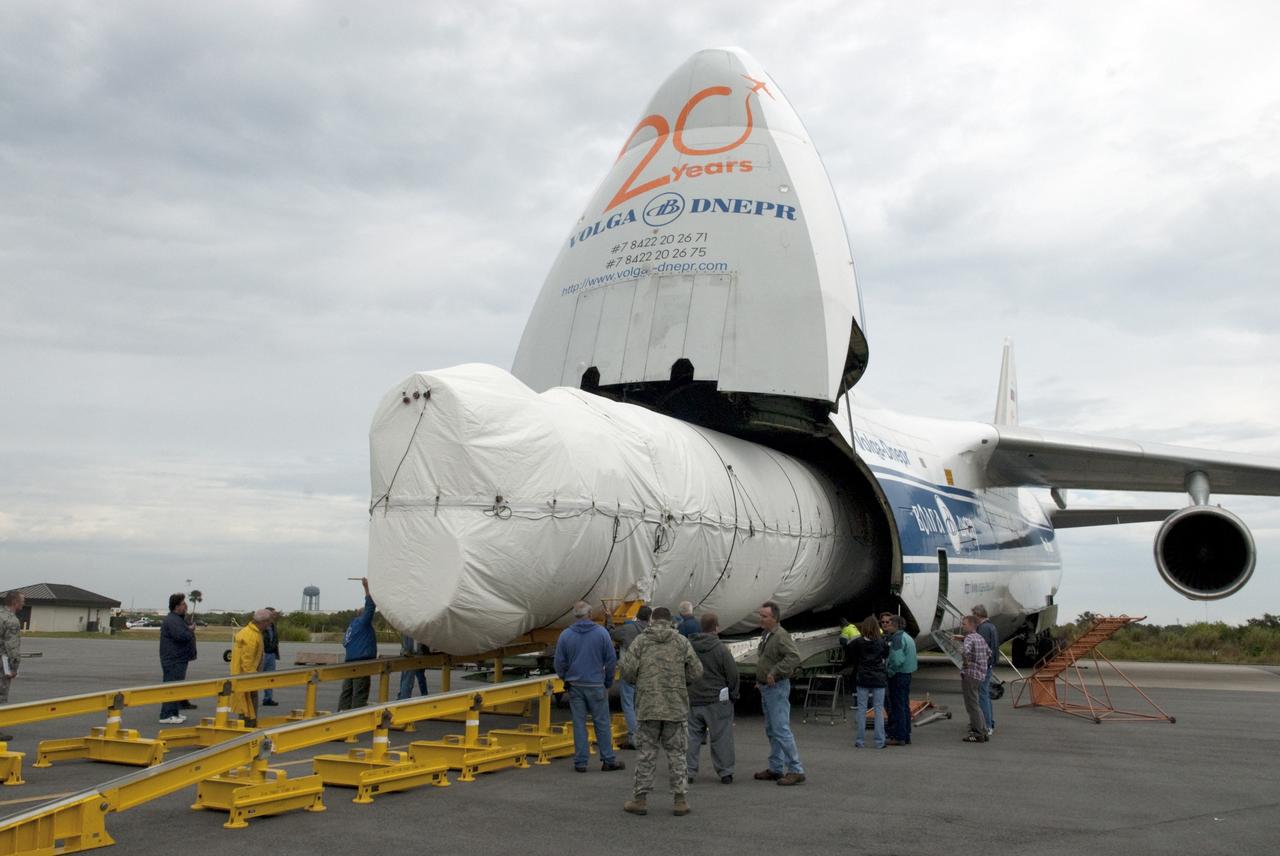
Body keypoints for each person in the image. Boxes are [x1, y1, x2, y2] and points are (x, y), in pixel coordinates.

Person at [620, 606, 702, 816]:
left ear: (652, 621)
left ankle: (640, 799)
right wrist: (680, 681)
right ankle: (680, 800)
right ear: (670, 621)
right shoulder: (681, 641)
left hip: (648, 706)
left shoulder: (641, 642)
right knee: (677, 754)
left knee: (647, 754)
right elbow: (696, 671)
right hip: (675, 707)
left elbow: (627, 671)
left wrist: (642, 680)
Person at [554, 601, 625, 774]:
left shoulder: (565, 635)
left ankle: (581, 762)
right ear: (590, 613)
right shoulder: (601, 633)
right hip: (596, 684)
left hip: (575, 685)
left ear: (574, 615)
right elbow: (610, 660)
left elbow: (559, 662)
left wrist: (565, 679)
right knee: (601, 723)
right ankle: (608, 760)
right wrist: (608, 682)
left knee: (579, 723)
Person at [753, 601, 805, 786]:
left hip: (777, 688)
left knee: (781, 729)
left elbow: (794, 657)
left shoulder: (781, 636)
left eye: (764, 616)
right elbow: (767, 658)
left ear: (774, 618)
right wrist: (760, 679)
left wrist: (774, 672)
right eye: (760, 615)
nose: (761, 619)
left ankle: (796, 769)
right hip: (767, 688)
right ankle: (776, 767)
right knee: (772, 729)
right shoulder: (767, 635)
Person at [686, 612, 738, 785]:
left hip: (693, 699)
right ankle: (725, 772)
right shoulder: (721, 649)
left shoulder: (689, 647)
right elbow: (732, 674)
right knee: (721, 737)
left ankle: (688, 771)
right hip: (717, 700)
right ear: (716, 628)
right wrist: (734, 694)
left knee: (692, 737)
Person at [609, 604, 651, 748]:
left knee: (628, 704)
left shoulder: (628, 629)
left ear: (637, 615)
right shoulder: (652, 631)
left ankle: (634, 737)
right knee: (642, 704)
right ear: (649, 618)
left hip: (629, 671)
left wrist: (609, 621)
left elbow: (612, 634)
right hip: (647, 672)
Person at [848, 616, 888, 749]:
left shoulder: (857, 642)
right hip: (878, 678)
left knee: (861, 709)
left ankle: (860, 740)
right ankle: (879, 741)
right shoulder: (881, 642)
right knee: (878, 710)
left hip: (863, 677)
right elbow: (886, 655)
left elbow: (851, 655)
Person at [338, 578, 377, 711]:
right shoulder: (363, 623)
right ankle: (356, 718)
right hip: (361, 662)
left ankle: (341, 714)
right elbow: (371, 605)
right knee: (360, 692)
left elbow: (344, 642)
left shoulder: (352, 625)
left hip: (349, 662)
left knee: (347, 691)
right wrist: (366, 588)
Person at [158, 593, 198, 724]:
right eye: (182, 604)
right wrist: (190, 630)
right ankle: (166, 715)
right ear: (176, 606)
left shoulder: (178, 619)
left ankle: (174, 713)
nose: (185, 606)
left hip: (179, 658)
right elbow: (181, 636)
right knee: (171, 686)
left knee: (177, 686)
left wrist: (188, 628)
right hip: (173, 659)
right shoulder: (172, 620)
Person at [231, 609, 272, 727]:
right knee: (247, 706)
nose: (269, 625)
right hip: (246, 677)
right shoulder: (251, 636)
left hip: (245, 675)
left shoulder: (252, 632)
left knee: (246, 704)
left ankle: (247, 725)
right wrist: (252, 679)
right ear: (263, 622)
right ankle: (247, 728)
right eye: (269, 622)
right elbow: (247, 661)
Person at [884, 615, 918, 746]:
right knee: (904, 705)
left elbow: (897, 660)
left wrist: (890, 671)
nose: (887, 625)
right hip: (907, 674)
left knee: (897, 706)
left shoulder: (897, 639)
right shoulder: (907, 637)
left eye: (890, 623)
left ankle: (899, 736)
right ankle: (905, 734)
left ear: (895, 625)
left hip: (898, 675)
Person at [959, 615, 991, 742]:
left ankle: (977, 733)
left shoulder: (969, 638)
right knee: (976, 703)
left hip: (970, 675)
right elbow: (989, 653)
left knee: (971, 705)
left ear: (972, 625)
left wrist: (966, 663)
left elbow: (964, 651)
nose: (962, 626)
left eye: (964, 624)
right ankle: (983, 730)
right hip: (980, 675)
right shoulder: (980, 638)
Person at [0, 590, 24, 741]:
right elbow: (12, 647)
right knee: (0, 696)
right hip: (1, 662)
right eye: (22, 601)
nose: (23, 604)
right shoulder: (11, 621)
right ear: (15, 602)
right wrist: (14, 667)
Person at [973, 604, 999, 736]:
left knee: (982, 695)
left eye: (974, 615)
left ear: (978, 615)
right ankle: (990, 722)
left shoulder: (982, 628)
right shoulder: (991, 626)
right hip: (989, 665)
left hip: (982, 666)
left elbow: (980, 647)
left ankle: (986, 725)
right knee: (985, 694)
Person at [398, 633, 429, 699]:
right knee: (414, 677)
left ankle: (402, 698)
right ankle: (424, 695)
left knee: (406, 678)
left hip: (410, 653)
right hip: (414, 654)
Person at [260, 608, 280, 707]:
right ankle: (250, 697)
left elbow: (275, 639)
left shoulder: (273, 626)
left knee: (270, 677)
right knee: (256, 677)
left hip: (271, 654)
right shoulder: (261, 627)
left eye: (274, 614)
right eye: (272, 614)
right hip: (263, 654)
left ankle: (268, 698)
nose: (274, 616)